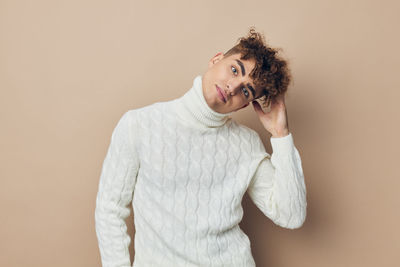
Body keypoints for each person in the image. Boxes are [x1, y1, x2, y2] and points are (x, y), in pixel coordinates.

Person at [94, 27, 307, 267]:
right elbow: (109, 210)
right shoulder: (139, 125)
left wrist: (280, 134)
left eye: (246, 90)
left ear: (243, 106)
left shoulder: (246, 144)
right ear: (216, 59)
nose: (233, 87)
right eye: (235, 70)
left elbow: (291, 215)